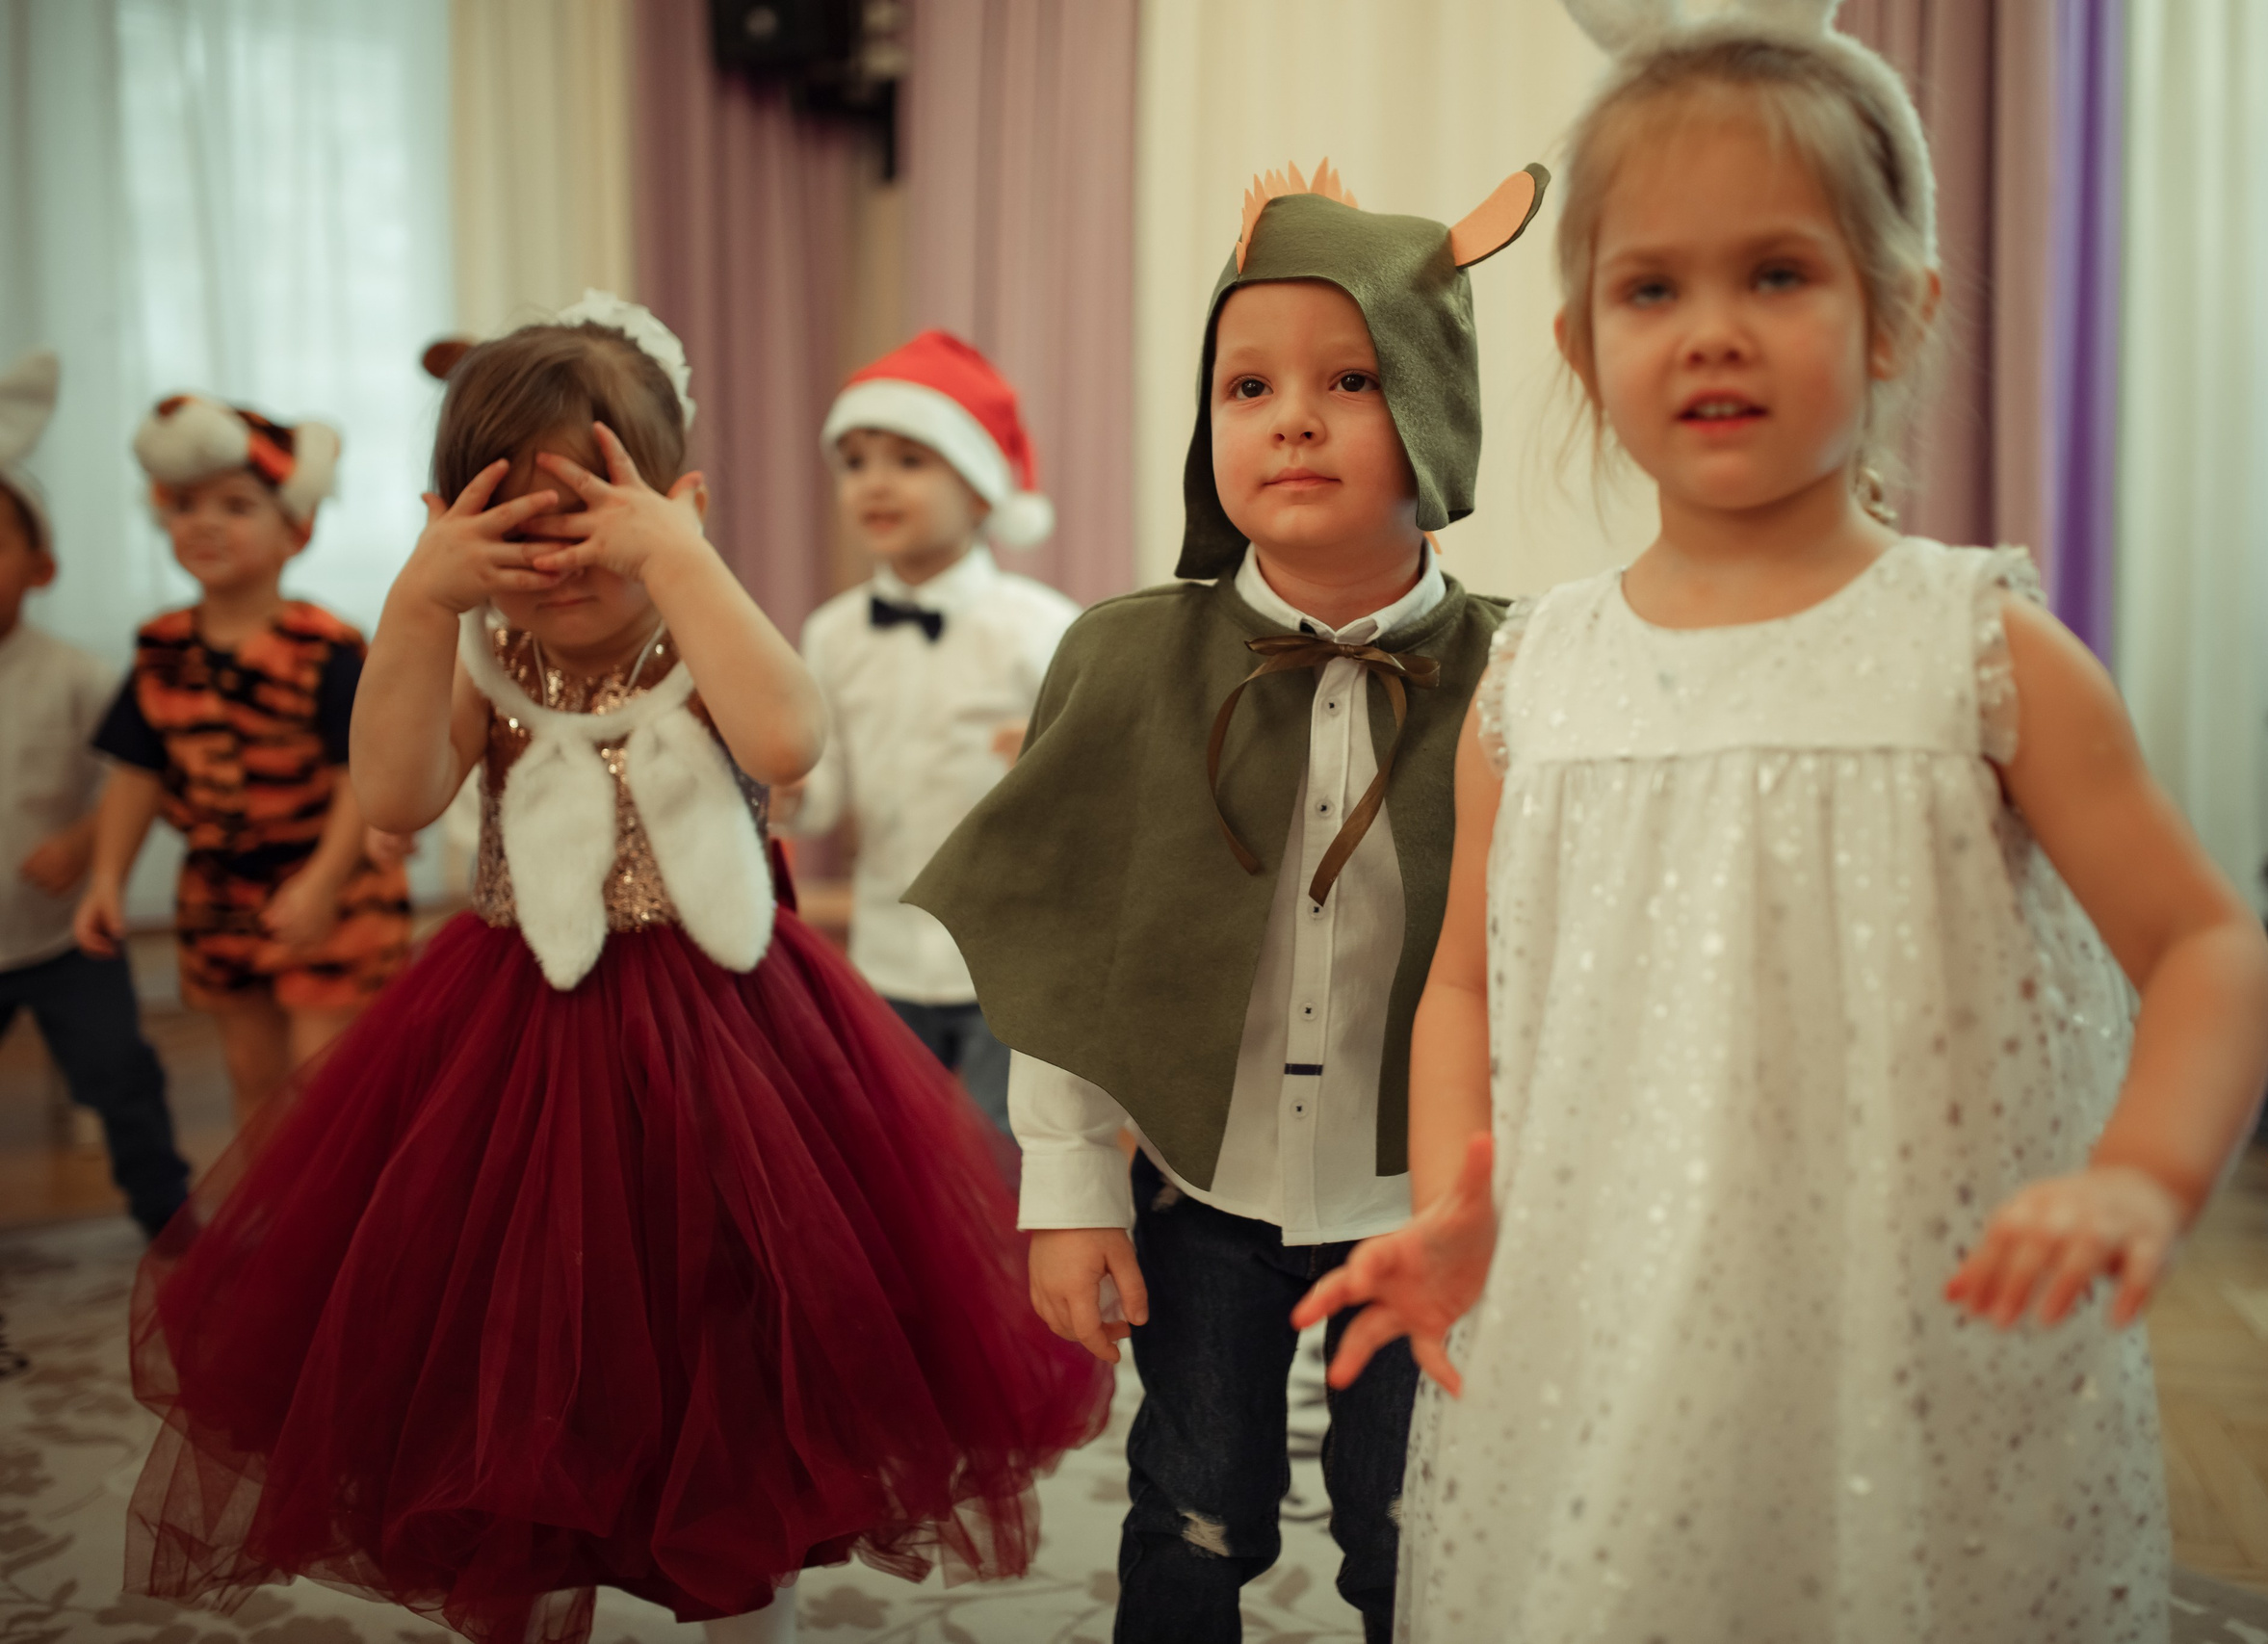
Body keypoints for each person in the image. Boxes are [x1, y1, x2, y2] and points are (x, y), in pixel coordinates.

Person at [1292, 7, 2268, 1640]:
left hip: (1918, 1322)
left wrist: (2143, 1176)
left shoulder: (1979, 649)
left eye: (1777, 274)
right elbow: (1461, 978)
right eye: (1652, 290)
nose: (1712, 334)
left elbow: (2203, 945)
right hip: (1605, 1305)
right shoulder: (1538, 674)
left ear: (1899, 315)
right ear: (1579, 345)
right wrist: (1459, 1198)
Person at [122, 293, 1112, 1644]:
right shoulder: (479, 644)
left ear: (675, 504)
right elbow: (397, 792)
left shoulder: (700, 625)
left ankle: (745, 1610)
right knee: (504, 1359)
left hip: (731, 1046)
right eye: (515, 526)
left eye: (591, 514)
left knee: (741, 1355)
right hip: (510, 1044)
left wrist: (681, 562)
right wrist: (418, 596)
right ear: (451, 522)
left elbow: (786, 740)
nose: (560, 556)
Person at [907, 161, 1550, 1644]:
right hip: (1200, 1196)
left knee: (1420, 1530)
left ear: (1438, 409)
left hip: (1427, 1201)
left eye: (1350, 380)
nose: (1291, 420)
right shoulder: (1125, 659)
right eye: (1247, 386)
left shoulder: (1530, 672)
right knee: (1193, 1512)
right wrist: (1070, 1192)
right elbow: (1072, 949)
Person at [73, 392, 408, 1128]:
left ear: (297, 530)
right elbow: (136, 775)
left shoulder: (325, 647)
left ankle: (336, 1199)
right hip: (219, 896)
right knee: (250, 1072)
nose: (205, 523)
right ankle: (270, 1202)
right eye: (185, 505)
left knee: (323, 1078)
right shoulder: (160, 648)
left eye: (236, 506)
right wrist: (106, 878)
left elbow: (358, 777)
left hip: (333, 886)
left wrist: (322, 884)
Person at [779, 330, 1081, 1133]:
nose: (875, 483)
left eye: (909, 460)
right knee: (892, 1153)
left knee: (999, 1159)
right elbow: (824, 789)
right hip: (886, 950)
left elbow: (1101, 796)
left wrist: (1047, 764)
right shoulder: (832, 633)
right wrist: (788, 789)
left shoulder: (1043, 628)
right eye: (855, 462)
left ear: (981, 490)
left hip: (1008, 963)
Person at [0, 350, 188, 1237]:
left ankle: (168, 1216)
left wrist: (82, 842)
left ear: (41, 567)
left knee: (120, 1075)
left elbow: (132, 775)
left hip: (65, 934)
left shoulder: (74, 674)